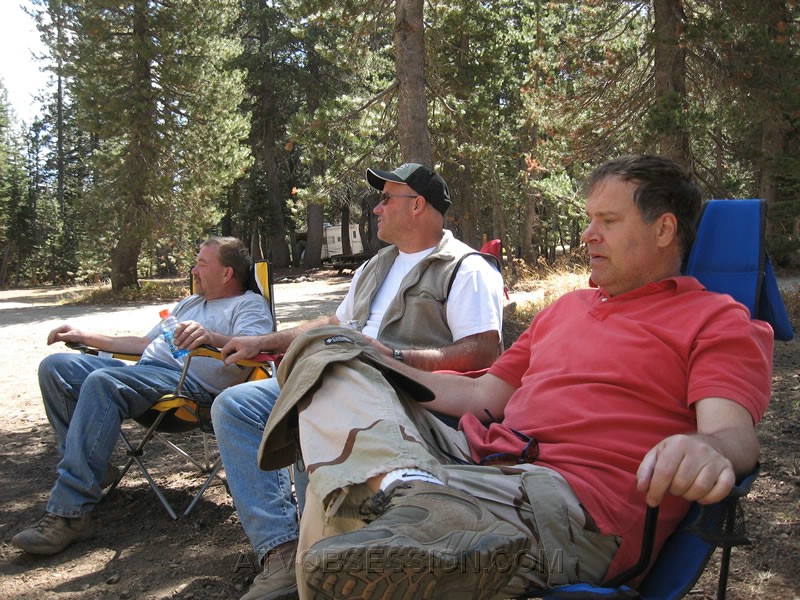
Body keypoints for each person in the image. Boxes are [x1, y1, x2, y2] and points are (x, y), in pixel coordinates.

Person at [258, 155, 774, 599]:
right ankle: (408, 492)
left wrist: (706, 449)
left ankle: (400, 514)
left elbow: (732, 435)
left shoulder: (715, 320)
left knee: (344, 515)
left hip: (567, 504)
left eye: (609, 221)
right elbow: (482, 394)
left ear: (664, 230)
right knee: (331, 354)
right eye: (589, 220)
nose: (588, 235)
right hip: (473, 460)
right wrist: (379, 361)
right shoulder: (566, 308)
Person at [212, 162, 505, 600]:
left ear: (417, 205)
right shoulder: (376, 265)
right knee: (235, 407)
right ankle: (282, 550)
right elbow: (335, 323)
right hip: (335, 370)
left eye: (385, 199)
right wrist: (262, 341)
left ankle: (324, 549)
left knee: (314, 404)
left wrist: (395, 357)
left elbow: (482, 350)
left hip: (401, 391)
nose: (376, 209)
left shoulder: (466, 267)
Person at [12, 236, 274, 556]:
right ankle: (92, 468)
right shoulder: (190, 304)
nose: (193, 270)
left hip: (187, 389)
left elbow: (255, 347)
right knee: (56, 368)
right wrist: (85, 335)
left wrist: (213, 338)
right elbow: (143, 344)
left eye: (201, 264)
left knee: (103, 381)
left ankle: (70, 513)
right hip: (145, 374)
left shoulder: (248, 304)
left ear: (227, 273)